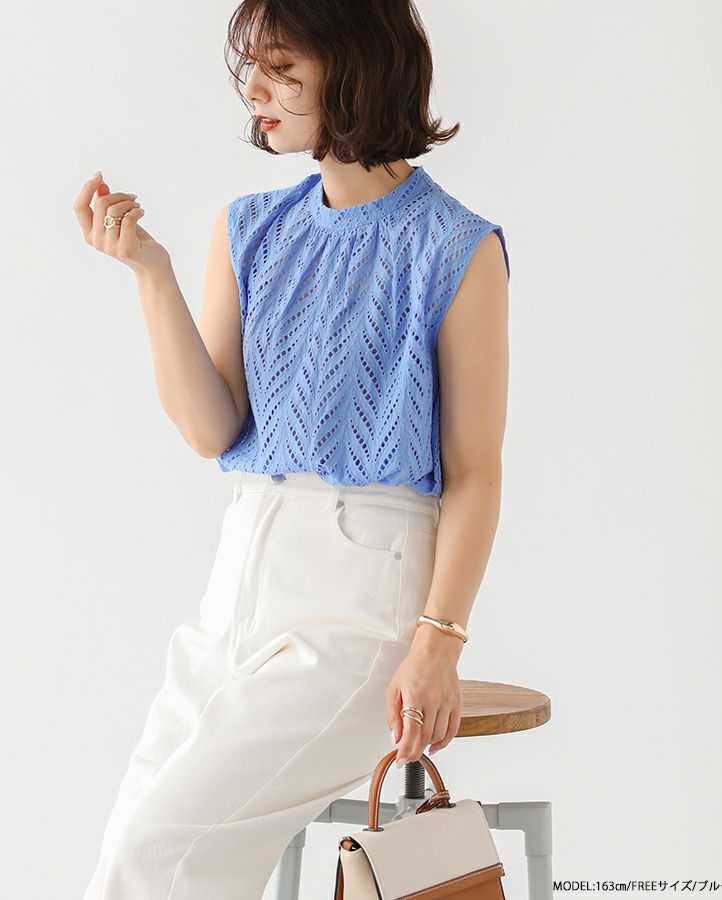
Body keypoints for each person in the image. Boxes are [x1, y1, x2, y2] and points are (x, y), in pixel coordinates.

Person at [72, 0, 510, 896]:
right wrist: (150, 273)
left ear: (352, 69)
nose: (254, 90)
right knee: (132, 848)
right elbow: (212, 429)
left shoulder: (456, 248)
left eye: (281, 68)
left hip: (362, 610)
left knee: (158, 855)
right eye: (253, 68)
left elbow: (474, 471)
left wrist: (439, 642)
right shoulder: (249, 228)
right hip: (236, 587)